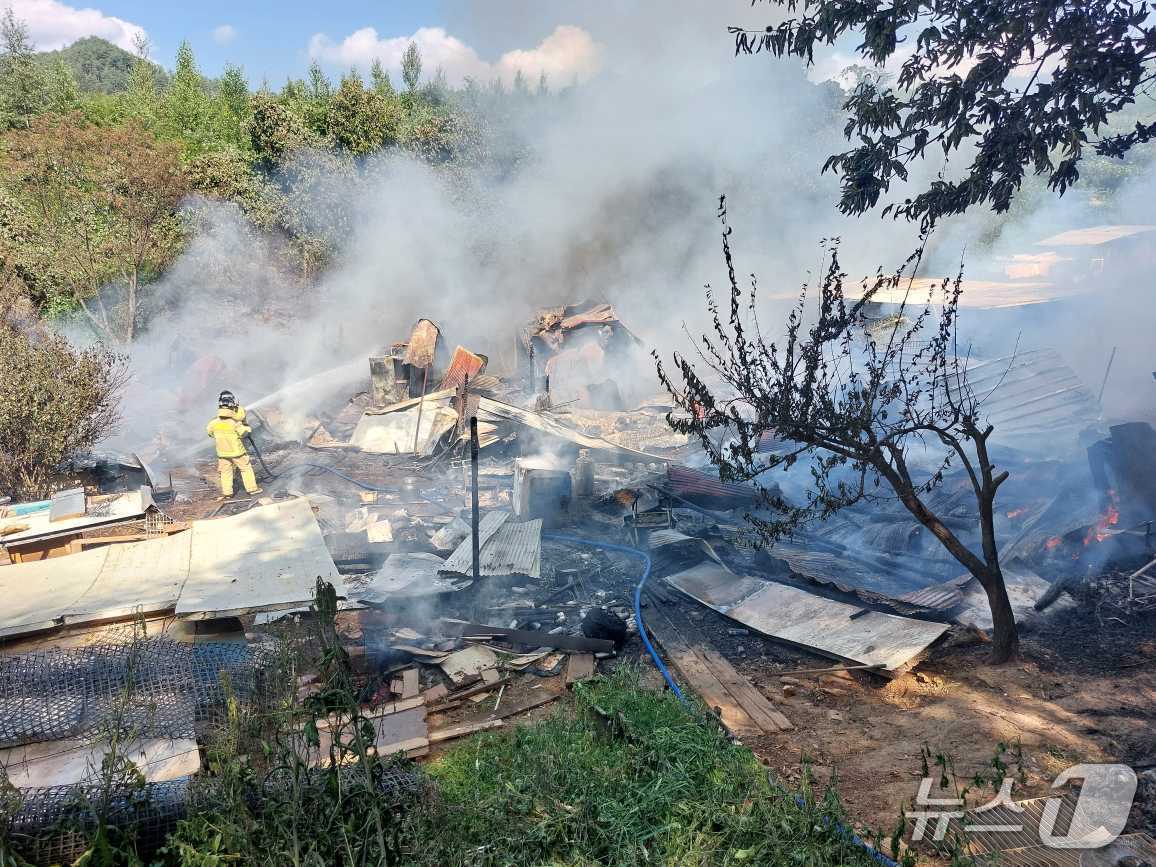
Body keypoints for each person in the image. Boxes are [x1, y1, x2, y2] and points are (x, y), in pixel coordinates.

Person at [206, 397, 261, 500]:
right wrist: (245, 424)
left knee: (225, 472)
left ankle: (227, 493)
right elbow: (245, 433)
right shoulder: (234, 423)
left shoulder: (213, 423)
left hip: (222, 454)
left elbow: (210, 433)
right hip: (237, 453)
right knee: (245, 468)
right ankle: (252, 489)